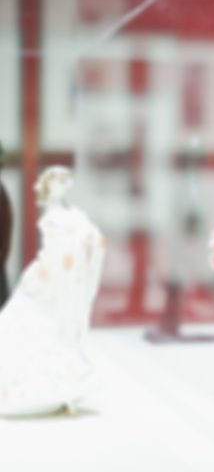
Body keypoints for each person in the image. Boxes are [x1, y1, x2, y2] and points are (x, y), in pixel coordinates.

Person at [0, 166, 105, 416]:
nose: (62, 185)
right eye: (57, 181)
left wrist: (91, 245)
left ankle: (66, 384)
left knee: (58, 325)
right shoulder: (50, 219)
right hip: (55, 270)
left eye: (64, 181)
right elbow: (56, 246)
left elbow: (87, 236)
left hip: (67, 274)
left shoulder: (73, 214)